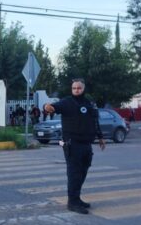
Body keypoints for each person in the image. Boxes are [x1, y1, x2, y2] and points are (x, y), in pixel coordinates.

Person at [44, 78, 105, 215]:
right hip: (72, 144)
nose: (76, 90)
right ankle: (72, 202)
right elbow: (53, 107)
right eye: (74, 88)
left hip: (86, 144)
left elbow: (95, 121)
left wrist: (100, 137)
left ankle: (76, 198)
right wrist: (47, 107)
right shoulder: (67, 102)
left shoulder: (88, 103)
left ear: (83, 89)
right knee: (74, 174)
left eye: (79, 88)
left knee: (83, 172)